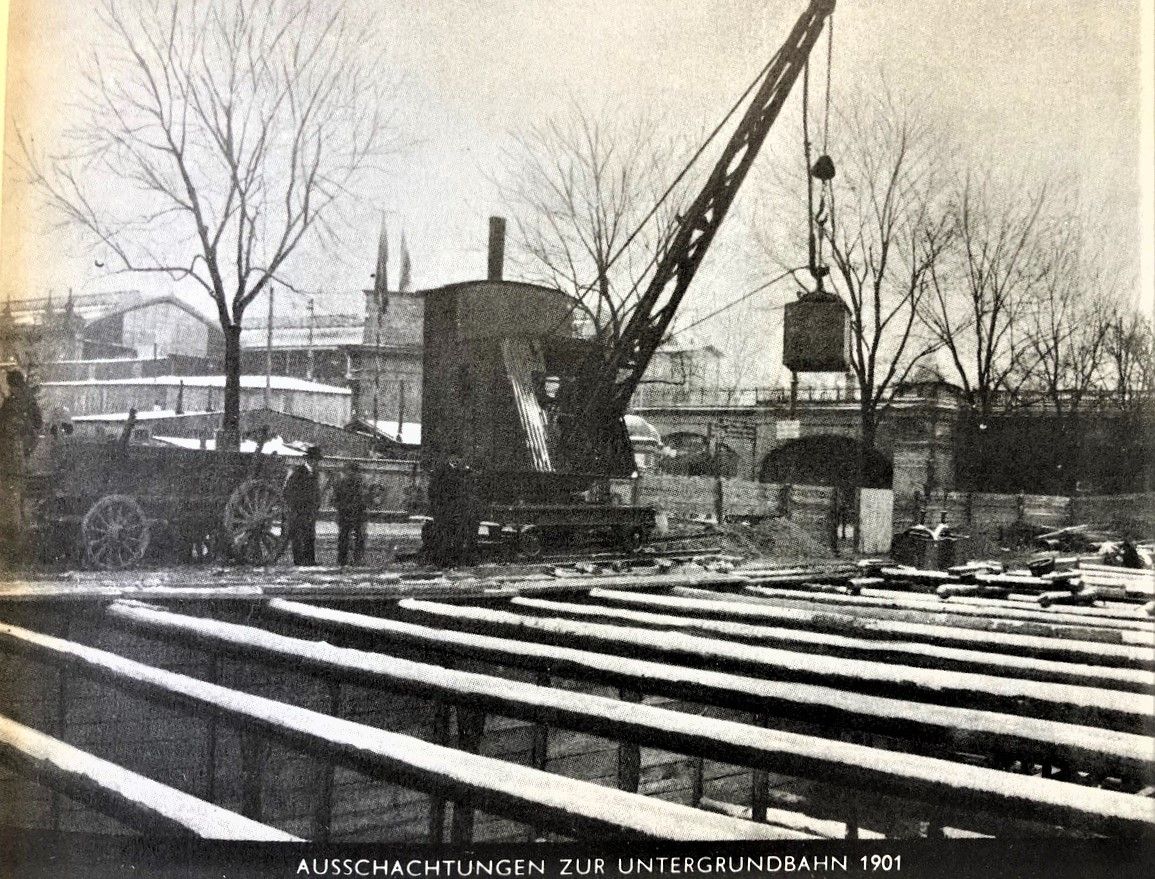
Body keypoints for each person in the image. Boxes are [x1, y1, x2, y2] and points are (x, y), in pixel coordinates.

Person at [284, 445, 322, 566]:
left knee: (310, 534)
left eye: (317, 460)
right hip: (299, 509)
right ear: (309, 459)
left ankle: (310, 560)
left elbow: (315, 491)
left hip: (310, 510)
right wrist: (297, 505)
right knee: (298, 534)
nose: (317, 463)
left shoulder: (314, 473)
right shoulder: (298, 473)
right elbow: (289, 491)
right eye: (315, 460)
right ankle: (299, 560)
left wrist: (316, 505)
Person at [333, 460, 368, 567]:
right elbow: (334, 500)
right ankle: (350, 559)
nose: (353, 474)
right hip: (350, 513)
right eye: (352, 471)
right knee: (350, 537)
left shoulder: (359, 484)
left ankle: (347, 560)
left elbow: (334, 500)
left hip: (353, 513)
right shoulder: (343, 484)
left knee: (351, 537)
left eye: (355, 472)